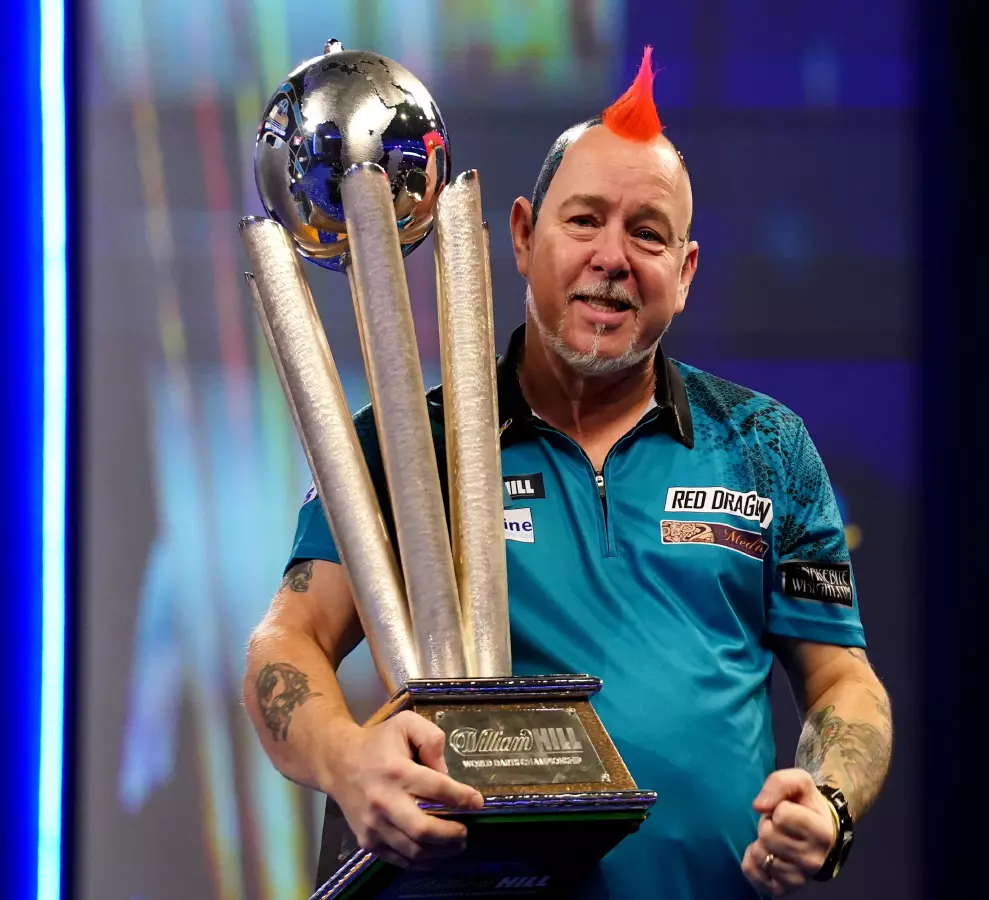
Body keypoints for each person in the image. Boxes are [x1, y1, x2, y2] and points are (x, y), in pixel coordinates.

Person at [243, 47, 893, 899]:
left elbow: (844, 679)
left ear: (685, 274)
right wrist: (345, 760)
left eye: (649, 234)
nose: (613, 257)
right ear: (520, 235)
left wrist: (833, 800)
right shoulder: (410, 444)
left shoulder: (768, 447)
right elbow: (284, 644)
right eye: (583, 221)